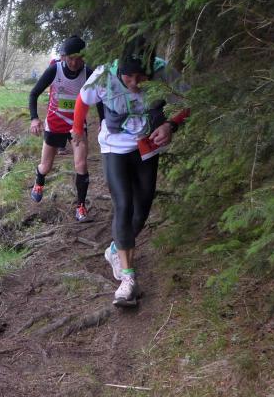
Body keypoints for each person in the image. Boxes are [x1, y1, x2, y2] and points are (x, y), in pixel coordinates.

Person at [71, 36, 189, 306]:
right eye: (129, 77)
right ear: (120, 70)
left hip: (147, 146)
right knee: (123, 204)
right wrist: (77, 129)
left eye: (141, 78)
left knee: (142, 208)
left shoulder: (162, 71)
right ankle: (128, 280)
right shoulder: (104, 74)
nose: (135, 83)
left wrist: (171, 125)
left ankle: (115, 248)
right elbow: (82, 100)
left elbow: (187, 102)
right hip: (114, 146)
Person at [28, 35, 100, 222]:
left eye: (78, 58)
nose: (74, 63)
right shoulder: (55, 69)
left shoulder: (89, 73)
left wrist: (104, 122)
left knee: (81, 165)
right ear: (63, 57)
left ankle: (81, 206)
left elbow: (100, 97)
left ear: (83, 57)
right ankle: (39, 180)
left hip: (77, 126)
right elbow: (34, 93)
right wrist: (34, 119)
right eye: (70, 58)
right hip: (54, 124)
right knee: (46, 166)